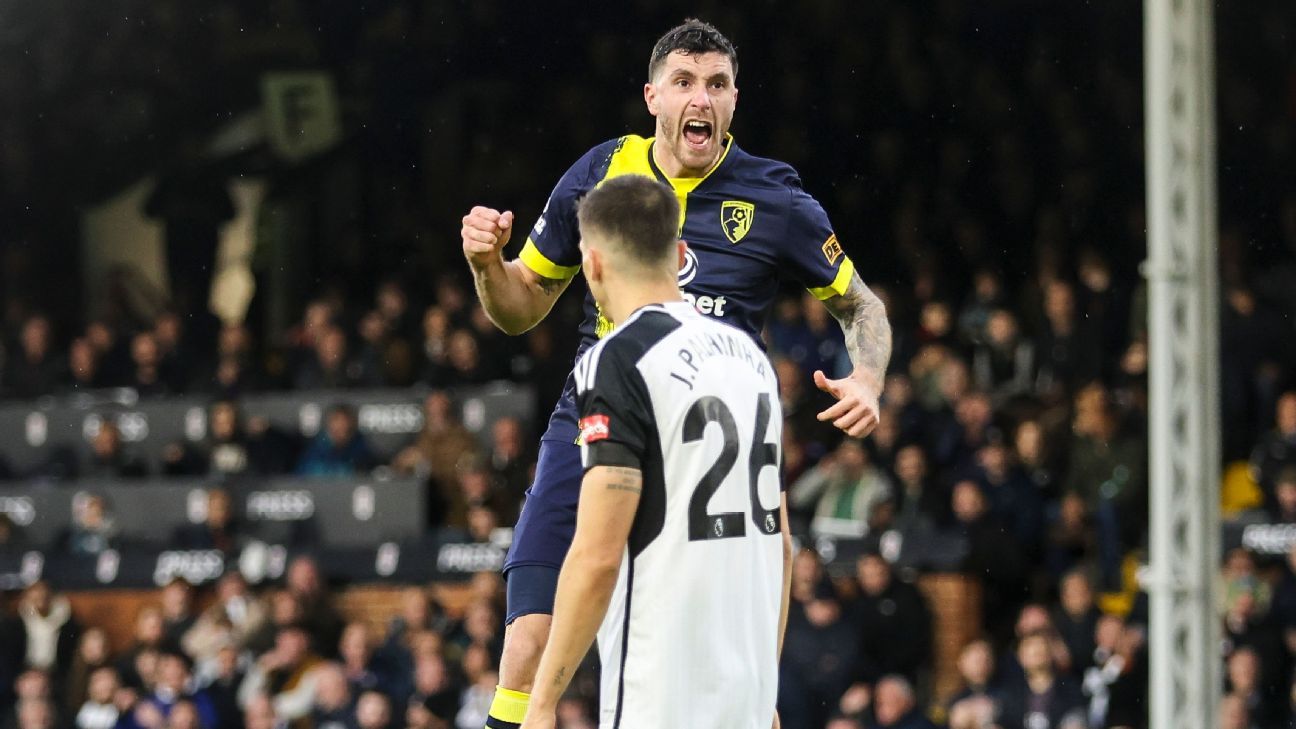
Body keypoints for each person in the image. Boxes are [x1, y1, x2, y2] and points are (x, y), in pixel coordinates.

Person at [461, 20, 892, 726]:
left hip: (708, 429)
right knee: (526, 643)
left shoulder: (773, 198)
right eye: (685, 83)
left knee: (700, 641)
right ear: (653, 97)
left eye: (717, 84)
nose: (703, 98)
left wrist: (868, 376)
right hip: (598, 412)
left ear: (734, 99)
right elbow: (521, 307)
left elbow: (860, 305)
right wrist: (487, 267)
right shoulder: (601, 177)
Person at [517, 176, 790, 728]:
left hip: (663, 691)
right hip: (750, 694)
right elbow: (781, 544)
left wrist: (543, 703)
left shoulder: (616, 360)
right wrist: (768, 688)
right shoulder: (752, 361)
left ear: (592, 265)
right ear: (682, 255)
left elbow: (596, 556)